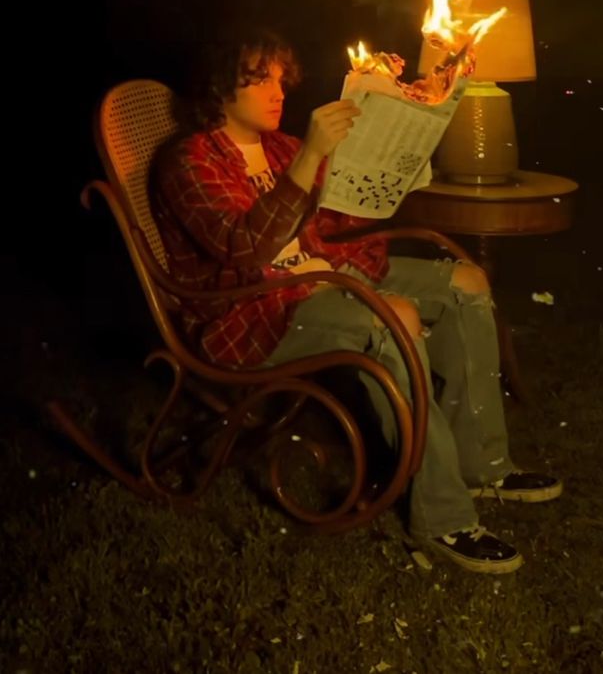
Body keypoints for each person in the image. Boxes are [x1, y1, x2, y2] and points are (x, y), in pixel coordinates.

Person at [153, 29, 562, 574]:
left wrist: (397, 169)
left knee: (466, 282)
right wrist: (313, 155)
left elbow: (335, 219)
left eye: (280, 78)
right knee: (398, 316)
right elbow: (246, 250)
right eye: (259, 80)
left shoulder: (277, 146)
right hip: (253, 309)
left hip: (323, 275)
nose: (278, 92)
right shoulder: (191, 162)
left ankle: (483, 464)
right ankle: (442, 518)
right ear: (218, 87)